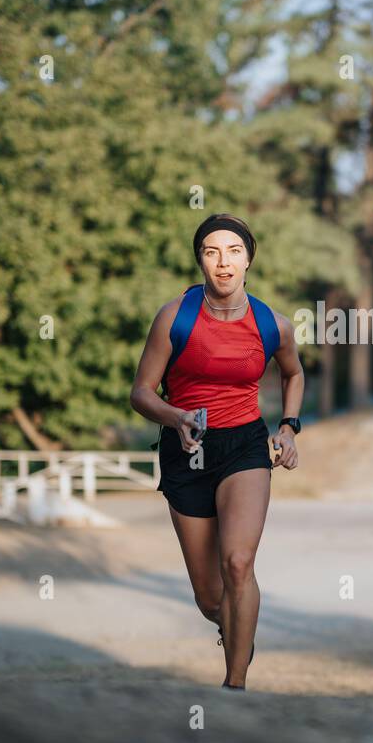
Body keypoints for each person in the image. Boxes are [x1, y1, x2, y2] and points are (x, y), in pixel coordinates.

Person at [129, 214, 304, 691]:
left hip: (244, 445)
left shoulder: (272, 324)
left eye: (232, 251)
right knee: (211, 598)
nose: (223, 261)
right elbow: (141, 392)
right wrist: (176, 417)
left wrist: (288, 427)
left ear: (248, 258)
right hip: (186, 449)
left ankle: (235, 687)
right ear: (201, 260)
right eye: (211, 251)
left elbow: (293, 373)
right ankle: (233, 628)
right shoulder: (175, 316)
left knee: (238, 564)